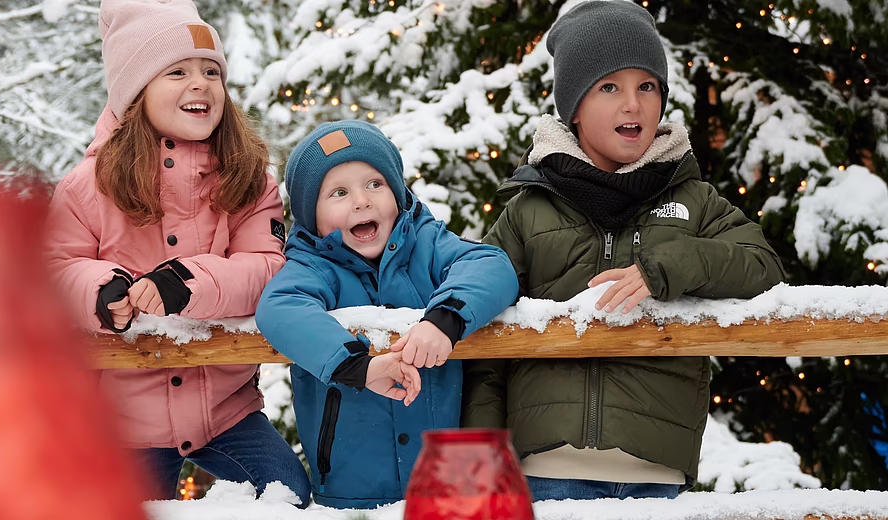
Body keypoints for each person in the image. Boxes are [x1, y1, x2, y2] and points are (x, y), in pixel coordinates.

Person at [462, 0, 787, 501]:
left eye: (647, 86)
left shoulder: (693, 200)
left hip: (654, 474)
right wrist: (482, 454)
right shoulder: (529, 211)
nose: (632, 104)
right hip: (546, 471)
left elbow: (763, 267)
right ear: (574, 105)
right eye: (609, 87)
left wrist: (671, 265)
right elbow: (485, 340)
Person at [44, 0, 309, 506]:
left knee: (285, 497)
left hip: (226, 412)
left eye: (212, 70)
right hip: (119, 420)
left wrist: (192, 282)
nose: (201, 82)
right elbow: (54, 269)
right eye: (178, 70)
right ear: (135, 90)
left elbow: (269, 267)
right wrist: (100, 291)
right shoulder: (88, 186)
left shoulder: (248, 180)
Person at [255, 120, 519, 509]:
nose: (362, 201)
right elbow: (280, 308)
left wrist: (443, 321)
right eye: (339, 192)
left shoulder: (425, 243)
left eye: (374, 184)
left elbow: (491, 265)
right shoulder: (314, 265)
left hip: (445, 481)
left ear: (397, 192)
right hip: (353, 485)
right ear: (312, 214)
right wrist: (360, 367)